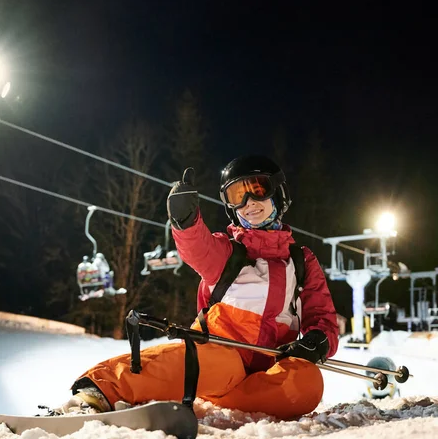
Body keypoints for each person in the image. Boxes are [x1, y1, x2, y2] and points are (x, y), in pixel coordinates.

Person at [57, 155, 339, 419]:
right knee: (221, 366)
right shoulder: (229, 253)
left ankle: (212, 398)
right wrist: (186, 223)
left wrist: (318, 340)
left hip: (270, 366)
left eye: (257, 189)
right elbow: (199, 250)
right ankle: (98, 392)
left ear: (278, 193)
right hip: (221, 351)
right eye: (237, 196)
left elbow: (322, 317)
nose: (249, 202)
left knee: (308, 382)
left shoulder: (301, 261)